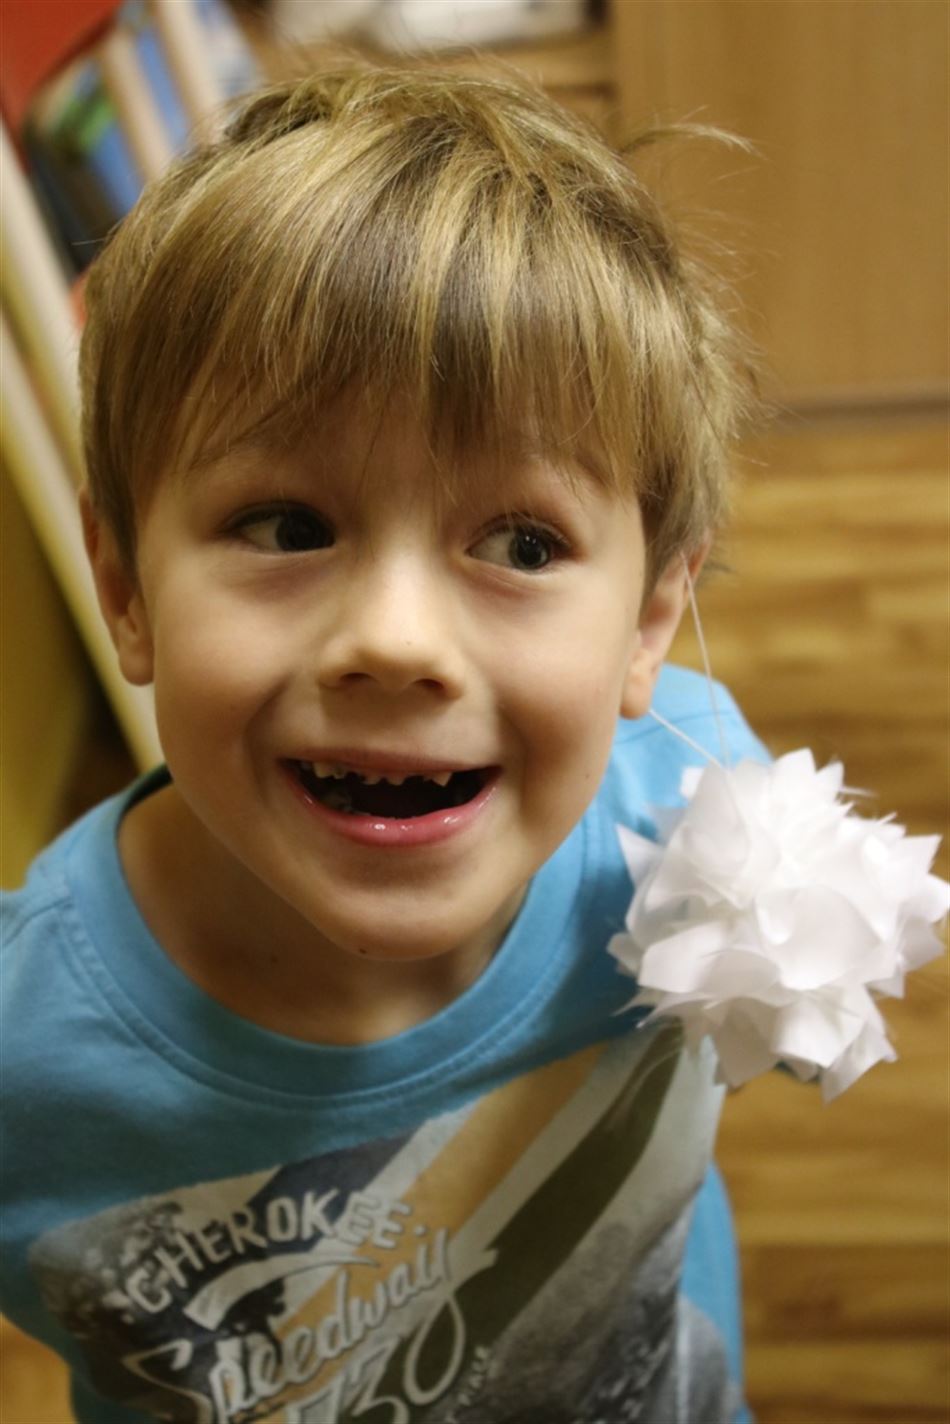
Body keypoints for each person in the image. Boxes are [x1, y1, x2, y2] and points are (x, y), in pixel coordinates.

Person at [1, 64, 770, 1423]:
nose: (398, 641)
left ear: (653, 616)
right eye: (287, 527)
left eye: (519, 544)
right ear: (125, 591)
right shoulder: (24, 1051)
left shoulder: (703, 821)